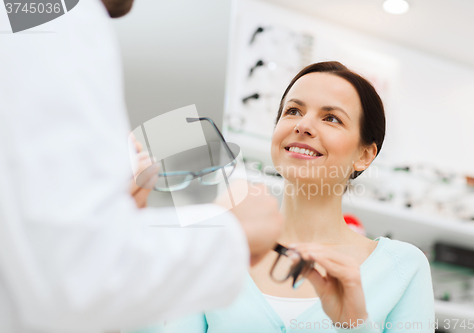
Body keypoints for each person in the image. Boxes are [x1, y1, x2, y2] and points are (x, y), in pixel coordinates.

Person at [0, 1, 283, 333]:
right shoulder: (59, 17)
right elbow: (76, 278)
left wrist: (114, 221)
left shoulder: (24, 18)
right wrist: (231, 232)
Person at [132, 61, 435, 332]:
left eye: (331, 118)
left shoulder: (403, 268)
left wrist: (353, 326)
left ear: (365, 155)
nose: (303, 126)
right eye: (293, 111)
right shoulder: (219, 248)